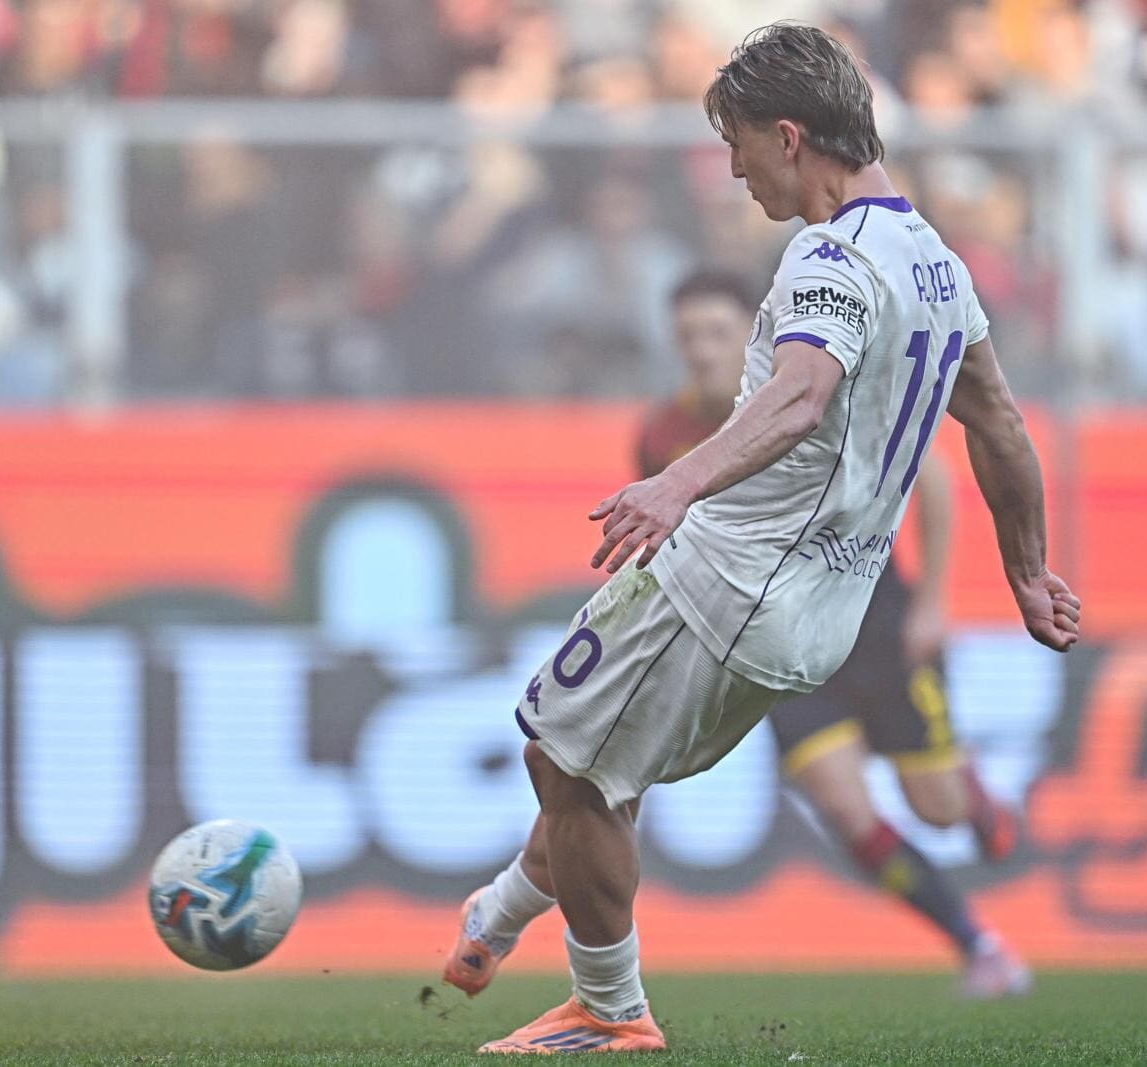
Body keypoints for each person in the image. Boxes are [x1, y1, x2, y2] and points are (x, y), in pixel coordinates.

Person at [440, 23, 1081, 1055]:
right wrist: (1029, 571)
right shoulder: (936, 264)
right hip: (821, 615)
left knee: (567, 764)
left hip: (730, 579)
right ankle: (504, 915)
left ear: (789, 136)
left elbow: (799, 393)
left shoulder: (832, 256)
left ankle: (607, 1006)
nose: (734, 170)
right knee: (592, 767)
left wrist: (674, 482)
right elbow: (999, 423)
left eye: (737, 144)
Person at [634, 269, 1030, 1000]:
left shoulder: (813, 392)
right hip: (776, 647)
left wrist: (932, 600)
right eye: (688, 336)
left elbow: (931, 478)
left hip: (874, 622)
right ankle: (979, 946)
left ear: (751, 333)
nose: (702, 351)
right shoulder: (664, 436)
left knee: (936, 807)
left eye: (717, 333)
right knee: (847, 812)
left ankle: (970, 793)